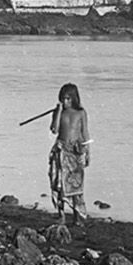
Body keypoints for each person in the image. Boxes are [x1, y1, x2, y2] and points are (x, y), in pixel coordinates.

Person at [47, 82, 91, 224]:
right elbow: (54, 129)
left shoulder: (81, 113)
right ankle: (61, 215)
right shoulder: (60, 112)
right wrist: (58, 112)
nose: (65, 102)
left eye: (68, 99)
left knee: (75, 184)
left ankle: (77, 215)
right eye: (63, 99)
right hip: (61, 150)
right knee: (57, 182)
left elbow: (85, 133)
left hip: (75, 152)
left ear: (74, 98)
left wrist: (88, 152)